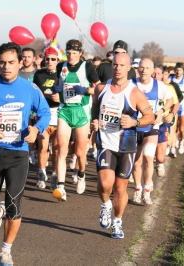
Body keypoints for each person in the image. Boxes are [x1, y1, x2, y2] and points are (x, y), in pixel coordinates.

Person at [0, 42, 50, 266]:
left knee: (15, 204)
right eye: (2, 62)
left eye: (11, 62)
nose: (6, 66)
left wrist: (36, 129)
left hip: (18, 152)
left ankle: (5, 250)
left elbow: (44, 113)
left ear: (20, 62)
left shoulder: (30, 89)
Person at [92, 53, 154, 239]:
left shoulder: (135, 93)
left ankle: (117, 221)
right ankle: (105, 205)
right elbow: (95, 107)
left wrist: (135, 123)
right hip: (105, 143)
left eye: (122, 65)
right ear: (111, 66)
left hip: (126, 146)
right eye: (115, 64)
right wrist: (94, 121)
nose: (118, 68)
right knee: (105, 183)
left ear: (129, 68)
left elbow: (150, 117)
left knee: (120, 188)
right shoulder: (101, 88)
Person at [51, 39, 100, 201]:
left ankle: (81, 175)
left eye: (74, 53)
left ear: (80, 53)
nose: (71, 56)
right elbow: (59, 85)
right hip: (65, 111)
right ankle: (61, 187)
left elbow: (100, 89)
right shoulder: (61, 67)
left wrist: (85, 90)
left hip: (82, 112)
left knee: (79, 152)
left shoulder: (88, 67)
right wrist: (56, 89)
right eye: (69, 53)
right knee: (62, 149)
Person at [131, 59, 173, 205]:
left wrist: (161, 111)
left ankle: (146, 190)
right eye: (141, 67)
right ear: (138, 69)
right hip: (134, 127)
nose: (144, 70)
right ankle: (137, 189)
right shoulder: (131, 84)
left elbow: (170, 100)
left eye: (147, 68)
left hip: (152, 127)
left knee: (149, 158)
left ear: (152, 70)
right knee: (136, 161)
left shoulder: (159, 85)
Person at [32, 46, 61, 189]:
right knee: (43, 145)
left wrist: (60, 98)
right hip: (44, 112)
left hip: (59, 112)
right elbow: (35, 94)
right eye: (48, 59)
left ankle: (55, 175)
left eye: (53, 59)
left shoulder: (63, 74)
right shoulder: (39, 74)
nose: (50, 61)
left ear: (58, 60)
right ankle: (42, 173)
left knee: (56, 148)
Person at [153, 65, 180, 177]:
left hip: (162, 123)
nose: (155, 76)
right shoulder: (142, 87)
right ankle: (145, 185)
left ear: (163, 75)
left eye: (158, 74)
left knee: (160, 156)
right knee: (145, 155)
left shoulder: (168, 88)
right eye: (153, 73)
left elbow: (176, 103)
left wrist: (171, 114)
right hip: (146, 123)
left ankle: (160, 163)